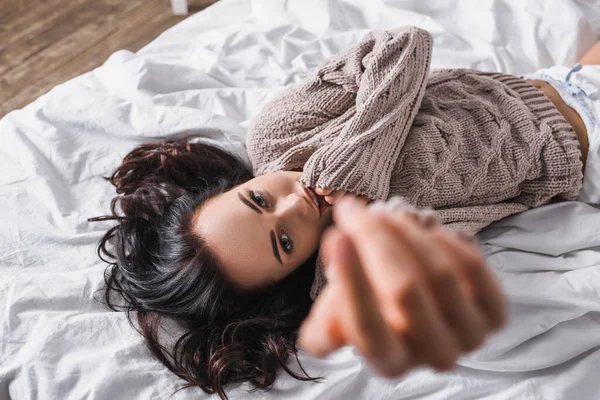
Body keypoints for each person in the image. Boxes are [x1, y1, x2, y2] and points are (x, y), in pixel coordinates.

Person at [90, 26, 600, 399]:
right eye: (284, 243)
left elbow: (404, 45)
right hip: (586, 150)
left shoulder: (277, 134)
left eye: (259, 200)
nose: (295, 205)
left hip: (546, 82)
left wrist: (357, 158)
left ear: (232, 186)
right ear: (291, 274)